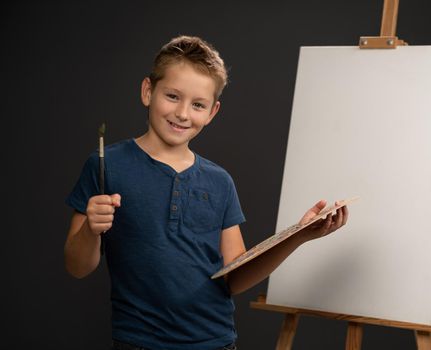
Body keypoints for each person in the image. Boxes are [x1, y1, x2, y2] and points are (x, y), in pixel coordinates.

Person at [64, 35, 349, 350]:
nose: (183, 113)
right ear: (148, 91)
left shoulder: (220, 181)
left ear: (212, 112)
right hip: (140, 342)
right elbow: (77, 266)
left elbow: (235, 278)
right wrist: (92, 229)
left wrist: (298, 235)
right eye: (172, 96)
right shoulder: (107, 165)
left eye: (197, 104)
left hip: (217, 342)